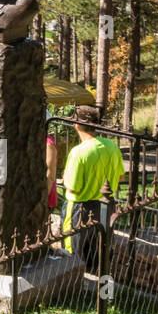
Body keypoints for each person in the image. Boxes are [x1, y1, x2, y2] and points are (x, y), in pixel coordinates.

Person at [61, 106, 124, 268]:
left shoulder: (78, 152)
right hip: (105, 205)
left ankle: (77, 286)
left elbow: (73, 187)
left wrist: (64, 178)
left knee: (73, 252)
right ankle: (100, 287)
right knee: (99, 251)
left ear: (76, 124)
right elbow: (121, 176)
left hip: (79, 208)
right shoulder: (112, 146)